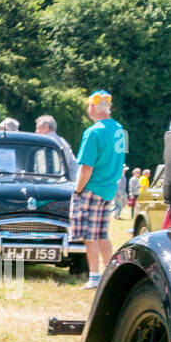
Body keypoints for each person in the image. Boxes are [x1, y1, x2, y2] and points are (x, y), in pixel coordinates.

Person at [71, 90, 126, 290]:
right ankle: (111, 274)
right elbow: (120, 163)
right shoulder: (121, 130)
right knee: (103, 234)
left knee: (89, 235)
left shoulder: (93, 132)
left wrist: (77, 191)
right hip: (109, 188)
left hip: (92, 188)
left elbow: (86, 168)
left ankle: (94, 276)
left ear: (92, 107)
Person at [34, 114, 78, 179]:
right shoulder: (59, 140)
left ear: (46, 127)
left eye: (38, 128)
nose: (36, 132)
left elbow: (63, 165)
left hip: (67, 180)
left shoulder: (50, 141)